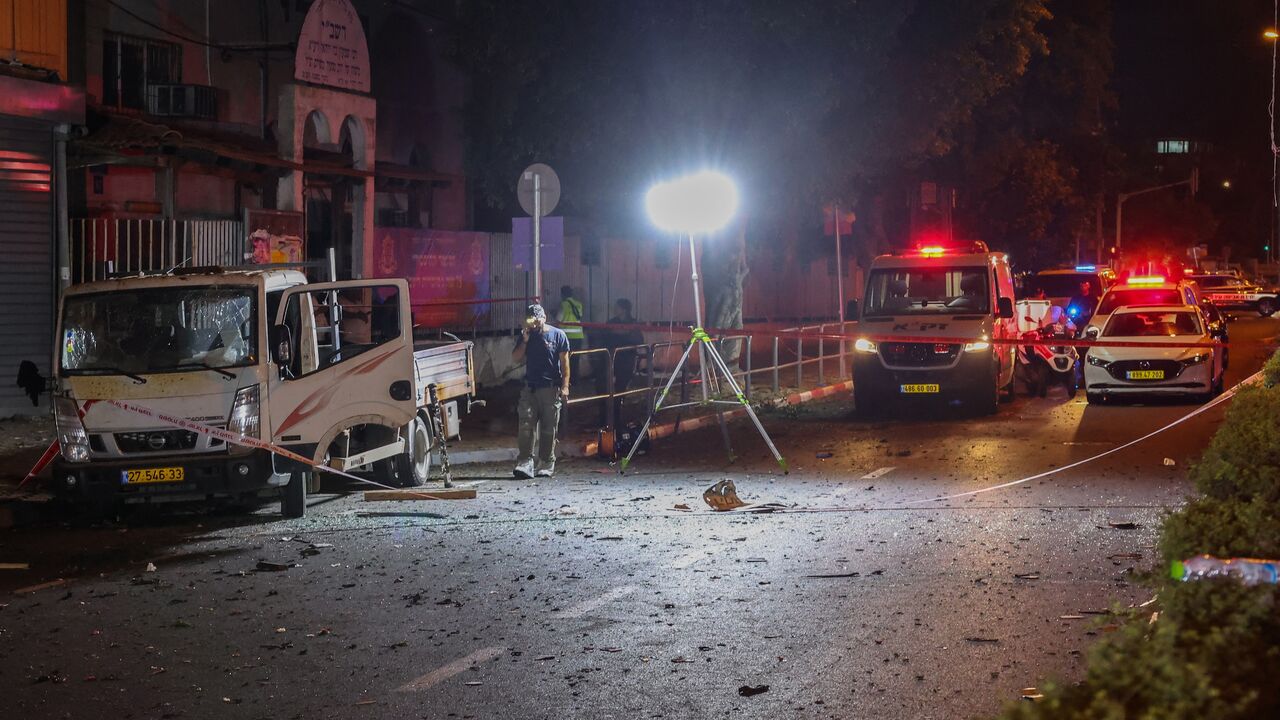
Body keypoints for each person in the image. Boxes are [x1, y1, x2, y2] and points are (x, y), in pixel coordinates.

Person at [512, 303, 570, 478]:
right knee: (525, 424)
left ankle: (546, 462)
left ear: (544, 318)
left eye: (537, 319)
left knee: (548, 427)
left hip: (551, 388)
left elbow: (565, 364)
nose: (534, 323)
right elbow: (516, 358)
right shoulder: (526, 336)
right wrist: (525, 340)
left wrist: (565, 386)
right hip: (530, 387)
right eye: (530, 320)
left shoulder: (558, 335)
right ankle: (525, 462)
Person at [592, 298, 645, 427]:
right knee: (603, 388)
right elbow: (605, 338)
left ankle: (617, 416)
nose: (615, 309)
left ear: (624, 309)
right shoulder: (611, 323)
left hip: (626, 360)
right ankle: (604, 417)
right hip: (610, 360)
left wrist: (620, 335)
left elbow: (638, 339)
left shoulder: (633, 323)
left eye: (617, 307)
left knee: (621, 389)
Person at [557, 285, 586, 384]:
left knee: (565, 360)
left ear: (562, 294)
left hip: (567, 337)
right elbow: (579, 316)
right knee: (575, 360)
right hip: (579, 336)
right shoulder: (578, 304)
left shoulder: (563, 304)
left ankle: (566, 381)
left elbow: (559, 319)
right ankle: (575, 380)